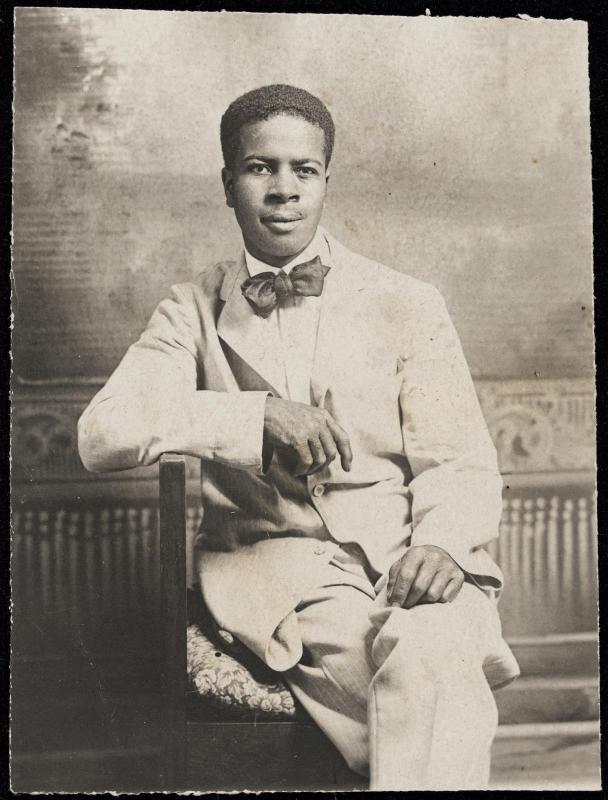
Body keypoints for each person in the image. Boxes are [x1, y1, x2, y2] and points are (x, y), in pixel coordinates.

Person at [78, 83, 520, 790]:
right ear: (228, 185)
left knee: (431, 654)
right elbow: (101, 434)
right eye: (261, 168)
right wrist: (251, 416)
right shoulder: (190, 308)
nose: (284, 190)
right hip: (280, 574)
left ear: (324, 181)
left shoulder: (406, 301)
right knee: (433, 689)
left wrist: (441, 543)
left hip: (408, 556)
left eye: (303, 170)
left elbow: (460, 457)